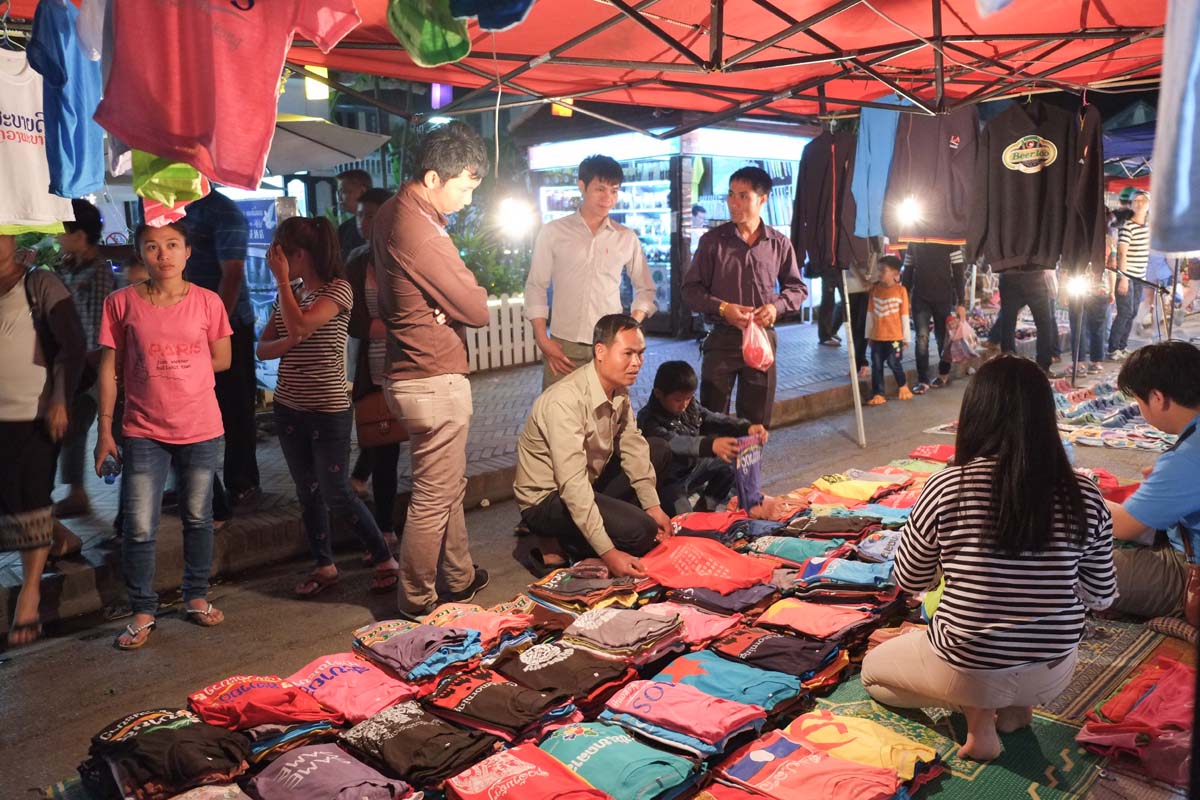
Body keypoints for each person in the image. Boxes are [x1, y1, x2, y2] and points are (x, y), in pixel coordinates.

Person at [861, 355, 1116, 761]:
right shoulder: (1084, 494)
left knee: (873, 674)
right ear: (1045, 418)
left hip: (968, 665)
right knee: (997, 655)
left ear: (975, 414)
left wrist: (953, 568)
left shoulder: (947, 487)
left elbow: (908, 579)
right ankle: (1016, 710)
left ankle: (979, 723)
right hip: (1054, 670)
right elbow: (1101, 595)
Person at [372, 121, 492, 619]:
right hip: (432, 376)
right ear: (433, 178)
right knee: (431, 494)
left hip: (410, 370)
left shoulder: (391, 211)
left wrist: (443, 303)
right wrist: (458, 301)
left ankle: (459, 577)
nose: (467, 199)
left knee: (448, 483)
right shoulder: (420, 230)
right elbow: (478, 308)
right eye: (464, 187)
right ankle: (417, 599)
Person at [94, 222, 232, 650]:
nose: (164, 254)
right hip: (143, 429)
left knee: (197, 517)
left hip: (201, 427)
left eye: (173, 244)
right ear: (140, 254)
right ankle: (142, 609)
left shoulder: (209, 302)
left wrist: (176, 373)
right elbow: (108, 370)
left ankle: (195, 597)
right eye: (152, 246)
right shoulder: (120, 303)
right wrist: (104, 430)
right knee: (138, 526)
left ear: (188, 251)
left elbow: (223, 359)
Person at [256, 216, 402, 598]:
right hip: (289, 406)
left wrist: (286, 298)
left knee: (336, 490)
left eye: (281, 254)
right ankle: (325, 564)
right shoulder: (292, 293)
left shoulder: (338, 291)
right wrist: (290, 333)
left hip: (328, 408)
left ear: (298, 255)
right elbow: (264, 346)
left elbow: (300, 327)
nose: (277, 262)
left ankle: (384, 557)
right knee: (307, 491)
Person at [514, 314, 673, 578]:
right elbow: (572, 484)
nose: (637, 363)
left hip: (588, 479)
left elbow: (633, 444)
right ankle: (557, 541)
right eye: (628, 353)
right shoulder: (564, 401)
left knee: (658, 450)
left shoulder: (617, 388)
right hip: (547, 498)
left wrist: (653, 505)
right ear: (600, 351)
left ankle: (585, 534)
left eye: (641, 354)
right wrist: (608, 553)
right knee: (641, 531)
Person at [0, 234, 85, 647]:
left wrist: (59, 399)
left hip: (35, 414)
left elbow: (72, 345)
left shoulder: (41, 283)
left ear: (13, 236)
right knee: (12, 499)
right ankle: (62, 538)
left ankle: (30, 596)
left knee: (31, 496)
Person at [681, 166, 807, 426]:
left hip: (761, 339)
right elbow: (690, 290)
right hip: (720, 339)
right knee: (713, 419)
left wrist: (776, 307)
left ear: (763, 199)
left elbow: (797, 288)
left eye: (743, 196)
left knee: (756, 422)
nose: (733, 203)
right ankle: (715, 468)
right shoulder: (712, 241)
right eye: (731, 194)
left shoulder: (779, 243)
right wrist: (724, 308)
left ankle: (750, 468)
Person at [525, 155, 656, 388]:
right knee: (558, 416)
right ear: (582, 186)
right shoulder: (554, 232)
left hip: (610, 346)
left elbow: (645, 287)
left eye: (614, 191)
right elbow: (536, 285)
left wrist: (631, 325)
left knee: (608, 417)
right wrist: (542, 338)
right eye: (600, 189)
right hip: (564, 346)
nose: (608, 198)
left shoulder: (626, 237)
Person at [1105, 342, 1200, 619]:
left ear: (1158, 398)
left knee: (1069, 562)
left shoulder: (1187, 457)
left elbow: (1124, 527)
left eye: (1138, 400)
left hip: (1187, 573)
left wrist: (1080, 495)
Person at [184, 190, 259, 517]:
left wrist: (215, 328)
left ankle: (243, 482)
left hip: (228, 323)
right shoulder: (174, 210)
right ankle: (196, 483)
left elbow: (232, 276)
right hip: (186, 323)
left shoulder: (224, 213)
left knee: (235, 404)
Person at [637, 360, 768, 516]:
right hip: (667, 481)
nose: (684, 404)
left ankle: (706, 508)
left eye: (689, 398)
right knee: (687, 524)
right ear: (659, 394)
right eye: (678, 399)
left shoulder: (690, 405)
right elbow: (676, 442)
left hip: (692, 469)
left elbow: (713, 418)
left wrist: (746, 427)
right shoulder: (648, 420)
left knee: (730, 459)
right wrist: (709, 445)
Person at [53, 198, 115, 523]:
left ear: (79, 235)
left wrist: (93, 361)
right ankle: (76, 492)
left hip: (99, 363)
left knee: (117, 428)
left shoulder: (100, 271)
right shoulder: (67, 267)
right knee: (74, 428)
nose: (58, 238)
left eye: (63, 232)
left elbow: (102, 320)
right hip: (83, 364)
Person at [347, 188, 401, 529]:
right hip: (371, 368)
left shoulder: (406, 258)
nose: (364, 222)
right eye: (360, 215)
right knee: (381, 446)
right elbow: (351, 318)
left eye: (371, 215)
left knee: (391, 451)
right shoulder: (355, 261)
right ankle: (384, 529)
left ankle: (386, 528)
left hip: (405, 369)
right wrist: (378, 326)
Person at [903, 244, 967, 394]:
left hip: (943, 297)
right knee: (922, 338)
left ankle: (943, 374)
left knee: (943, 338)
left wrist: (961, 302)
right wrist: (904, 296)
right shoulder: (914, 240)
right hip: (920, 297)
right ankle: (923, 380)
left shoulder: (950, 240)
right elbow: (908, 269)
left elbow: (959, 271)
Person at [865, 255, 912, 406]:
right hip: (877, 336)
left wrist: (906, 339)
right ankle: (878, 393)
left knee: (894, 362)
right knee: (876, 365)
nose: (879, 273)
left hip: (895, 338)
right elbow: (870, 313)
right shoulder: (874, 290)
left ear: (895, 273)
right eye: (878, 270)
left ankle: (903, 385)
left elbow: (904, 316)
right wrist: (869, 335)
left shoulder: (901, 291)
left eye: (883, 270)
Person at [1108, 190, 1149, 361]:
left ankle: (1122, 346)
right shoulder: (1127, 226)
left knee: (1132, 312)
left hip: (1140, 276)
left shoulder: (1148, 227)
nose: (1140, 203)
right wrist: (1123, 278)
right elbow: (1122, 254)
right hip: (1127, 275)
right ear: (1132, 205)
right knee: (1124, 312)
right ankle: (1113, 348)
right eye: (1136, 200)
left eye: (1143, 200)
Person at [337, 168, 373, 259]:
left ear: (362, 191)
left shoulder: (382, 224)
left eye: (343, 191)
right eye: (339, 193)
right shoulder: (344, 229)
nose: (340, 198)